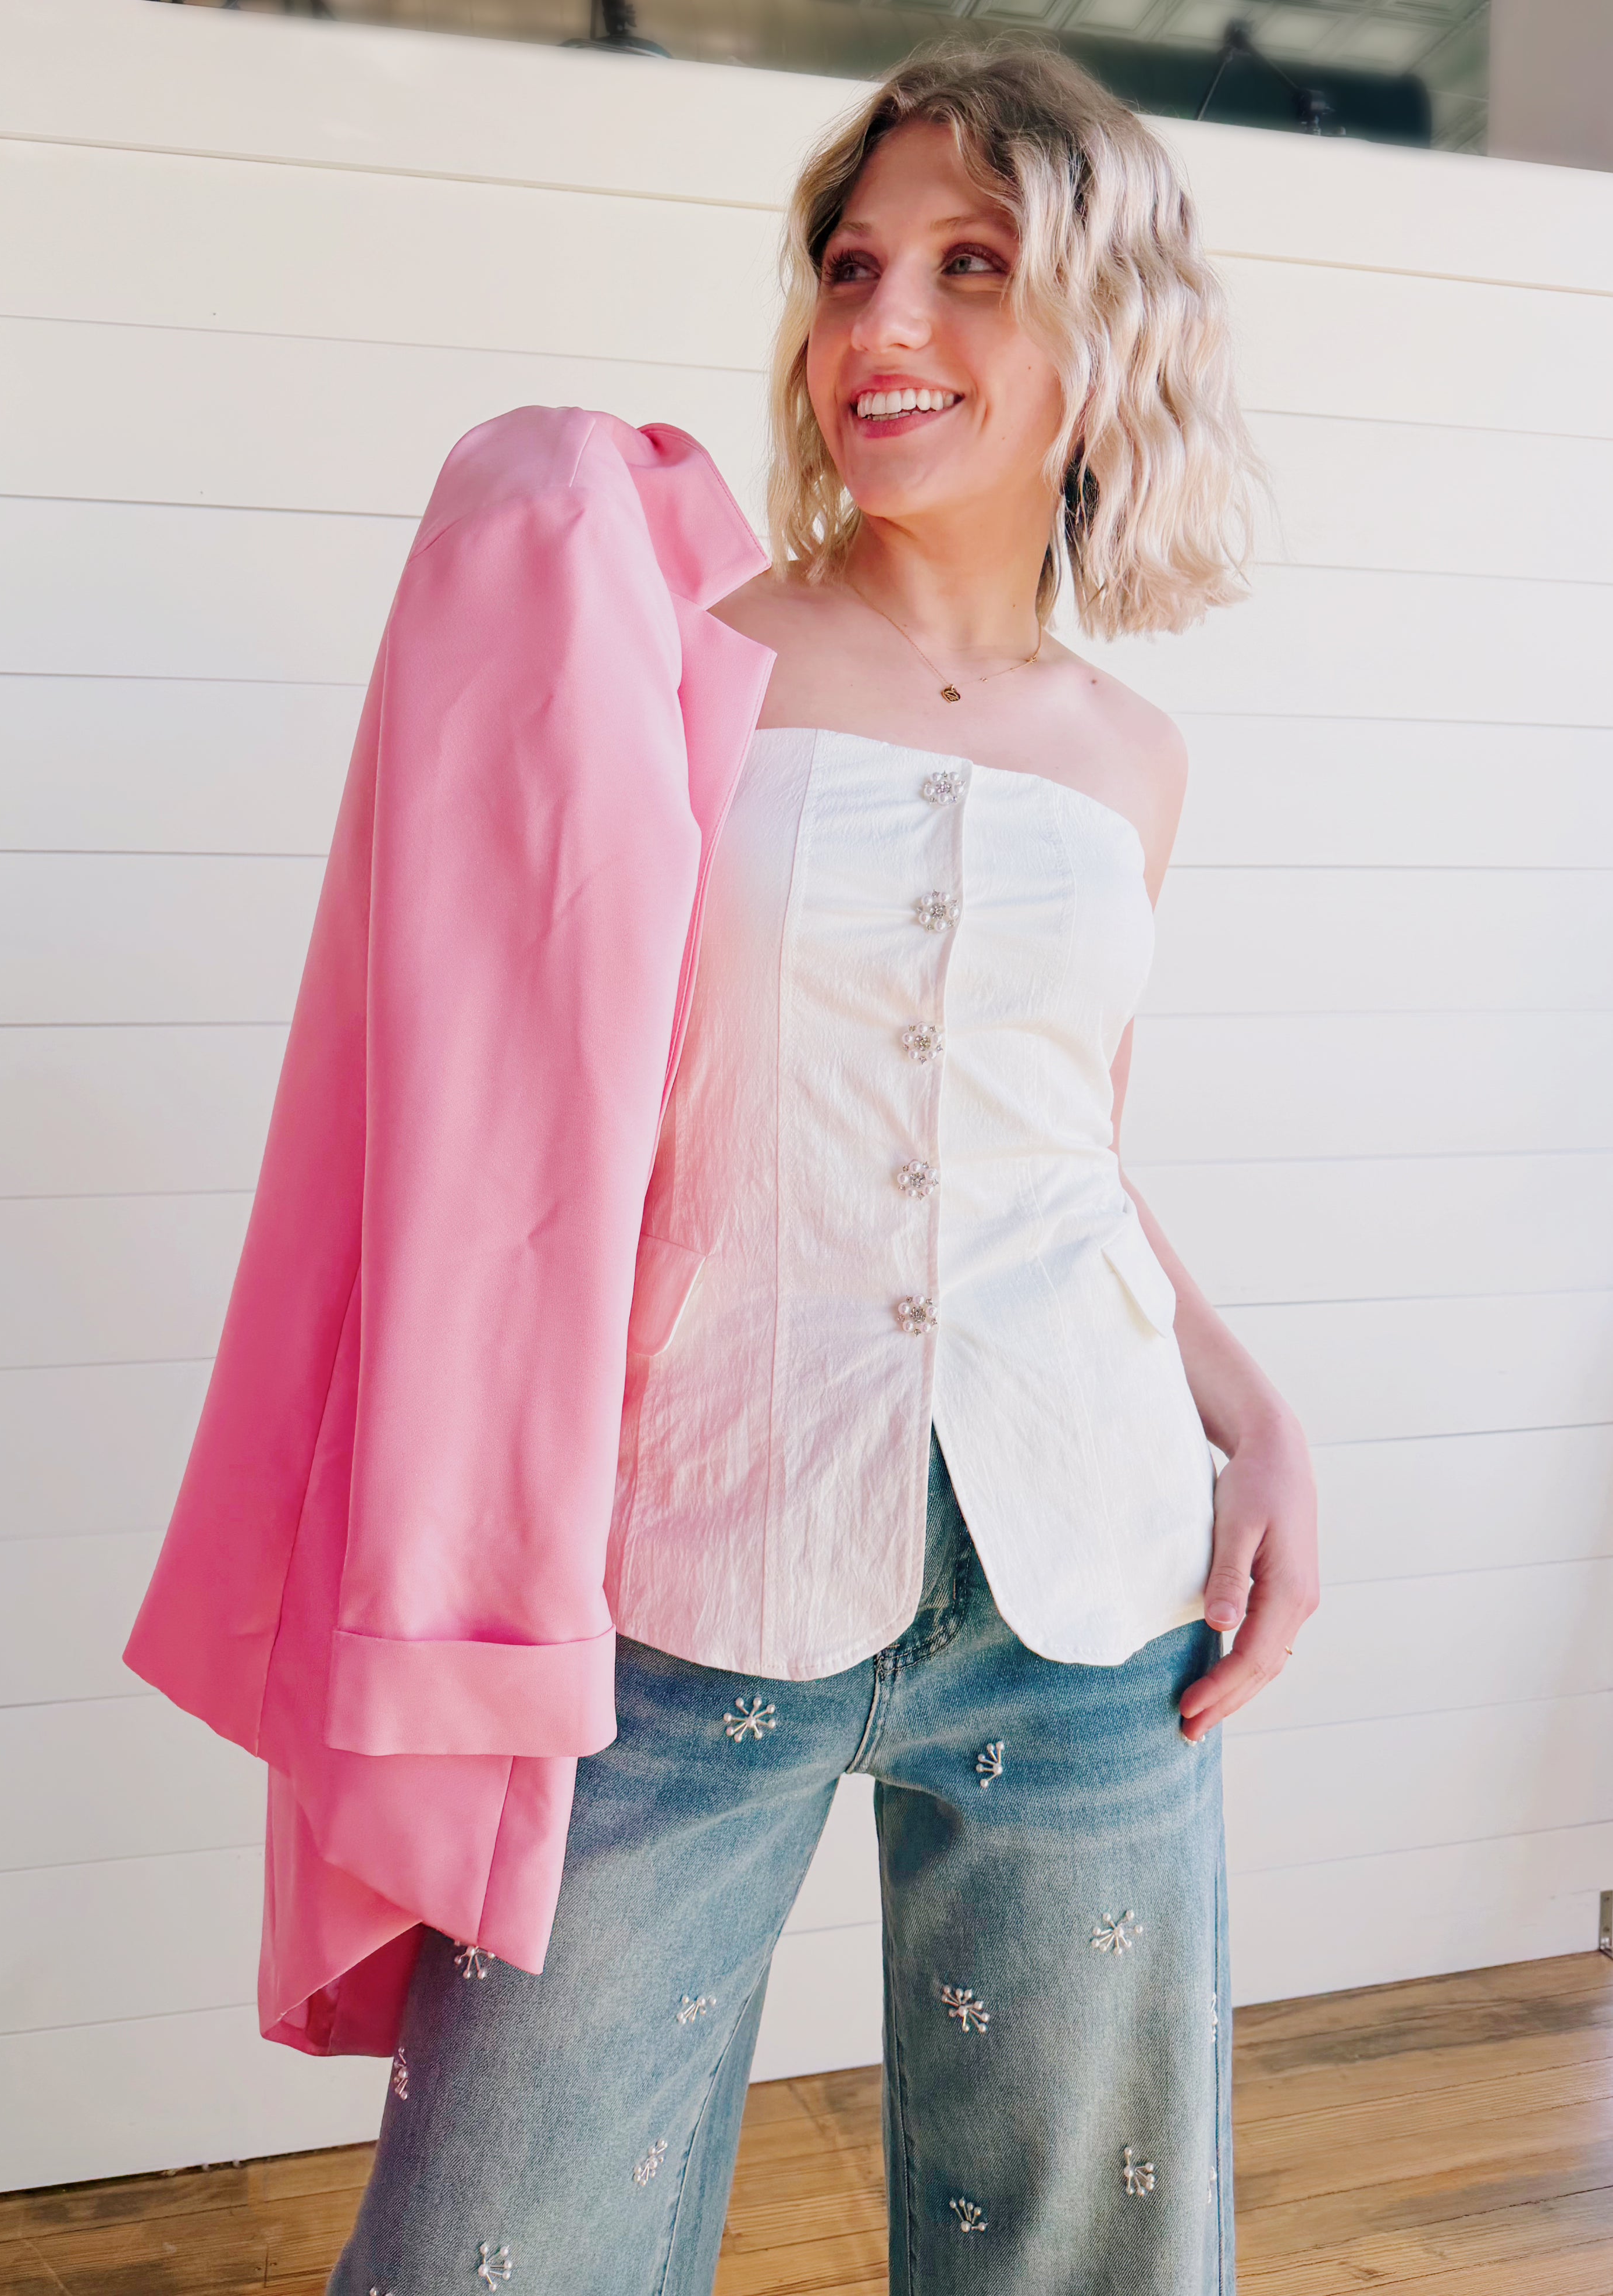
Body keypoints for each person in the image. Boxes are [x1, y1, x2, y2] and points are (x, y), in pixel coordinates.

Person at [312, 32, 1319, 2295]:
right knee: (498, 2248)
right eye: (850, 267)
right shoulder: (671, 665)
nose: (881, 322)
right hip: (688, 1562)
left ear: (1109, 325)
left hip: (1086, 1583)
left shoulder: (1130, 754)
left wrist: (1254, 1421)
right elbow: (505, 1119)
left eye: (970, 265)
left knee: (1082, 2256)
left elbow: (1061, 1150)